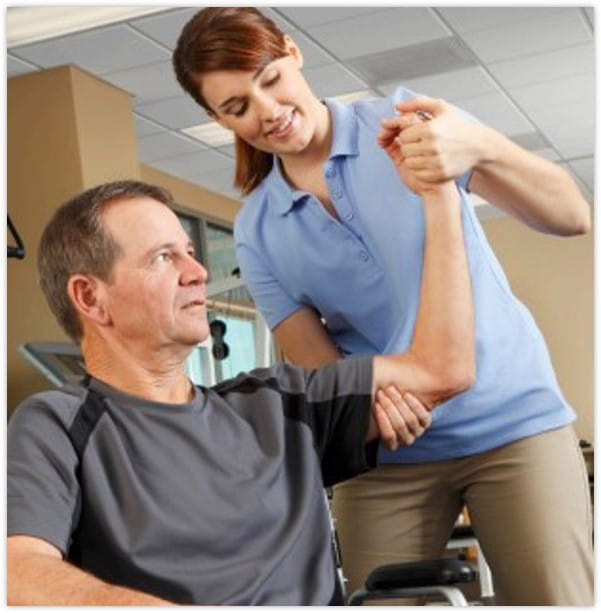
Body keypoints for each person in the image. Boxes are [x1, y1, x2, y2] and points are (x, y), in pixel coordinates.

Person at [172, 7, 593, 605]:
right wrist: (379, 402)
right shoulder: (258, 230)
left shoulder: (404, 122)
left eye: (269, 80)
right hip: (391, 450)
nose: (266, 111)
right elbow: (321, 370)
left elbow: (571, 216)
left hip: (514, 422)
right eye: (236, 108)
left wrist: (479, 145)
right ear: (218, 120)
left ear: (293, 52)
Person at [7, 171, 473, 605]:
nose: (198, 273)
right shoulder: (56, 425)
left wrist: (441, 196)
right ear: (91, 298)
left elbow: (443, 370)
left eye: (190, 252)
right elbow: (17, 569)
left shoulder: (281, 403)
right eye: (164, 257)